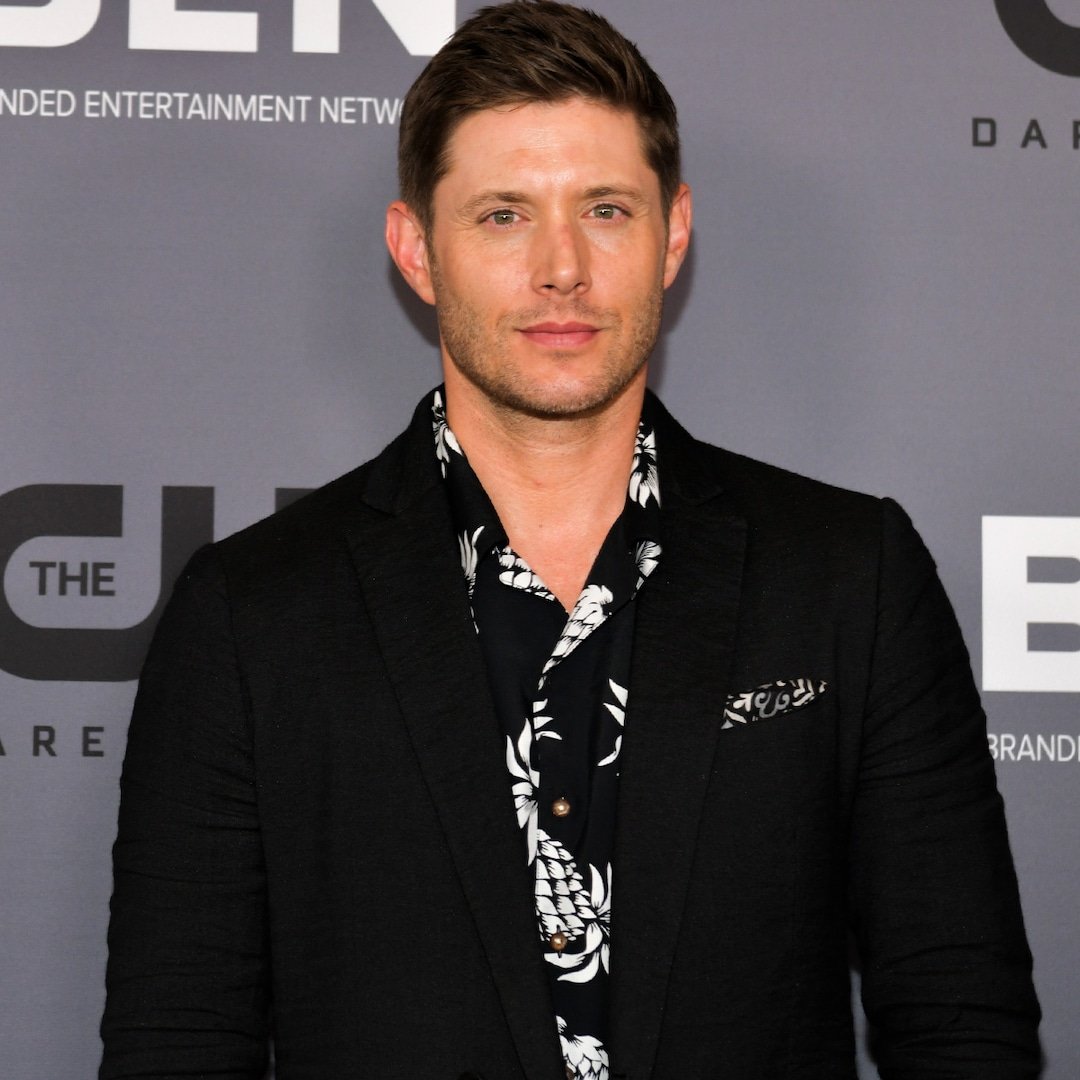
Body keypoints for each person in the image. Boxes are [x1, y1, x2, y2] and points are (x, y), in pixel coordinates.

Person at [99, 3, 1041, 1078]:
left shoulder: (847, 578)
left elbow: (963, 1024)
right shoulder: (253, 614)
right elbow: (178, 1044)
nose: (562, 268)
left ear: (672, 234)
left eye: (605, 209)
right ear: (417, 249)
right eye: (504, 214)